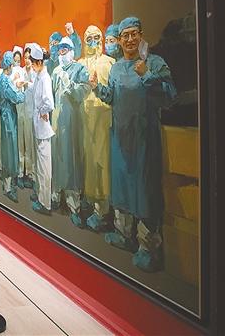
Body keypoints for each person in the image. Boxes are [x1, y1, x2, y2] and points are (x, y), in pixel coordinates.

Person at [91, 16, 176, 272]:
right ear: (119, 40)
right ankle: (124, 234)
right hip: (120, 140)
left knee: (145, 191)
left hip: (144, 141)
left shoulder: (154, 63)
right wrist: (97, 88)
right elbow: (112, 97)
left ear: (141, 35)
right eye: (124, 35)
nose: (129, 39)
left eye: (133, 34)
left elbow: (170, 96)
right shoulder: (117, 68)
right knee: (122, 187)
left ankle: (148, 247)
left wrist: (147, 75)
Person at [79, 25, 116, 231]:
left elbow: (112, 93)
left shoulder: (109, 63)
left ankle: (103, 210)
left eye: (96, 37)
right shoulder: (80, 64)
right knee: (88, 161)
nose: (93, 42)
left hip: (103, 118)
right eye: (89, 38)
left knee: (102, 162)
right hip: (84, 120)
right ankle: (90, 202)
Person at [51, 36, 91, 227]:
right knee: (57, 157)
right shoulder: (56, 71)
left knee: (71, 159)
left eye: (65, 49)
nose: (62, 53)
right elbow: (51, 95)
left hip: (73, 121)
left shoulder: (79, 69)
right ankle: (56, 196)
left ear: (72, 51)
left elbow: (84, 91)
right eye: (60, 50)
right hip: (57, 120)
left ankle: (74, 205)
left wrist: (70, 85)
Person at [28, 44, 54, 214]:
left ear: (39, 62)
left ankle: (45, 203)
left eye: (32, 63)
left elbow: (49, 103)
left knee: (44, 167)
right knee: (40, 164)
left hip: (43, 129)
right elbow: (35, 89)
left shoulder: (45, 78)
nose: (31, 66)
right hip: (38, 126)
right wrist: (26, 84)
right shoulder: (39, 76)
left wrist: (43, 112)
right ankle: (40, 195)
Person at [0, 51, 26, 202]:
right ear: (8, 65)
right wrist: (23, 93)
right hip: (8, 116)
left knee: (9, 148)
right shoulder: (4, 80)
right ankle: (8, 187)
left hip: (8, 115)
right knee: (9, 149)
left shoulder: (4, 78)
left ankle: (8, 183)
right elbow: (14, 96)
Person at [12, 46, 35, 189]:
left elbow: (37, 89)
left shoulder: (35, 73)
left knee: (30, 144)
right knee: (21, 144)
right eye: (25, 58)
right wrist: (18, 84)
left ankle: (30, 174)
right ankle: (20, 173)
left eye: (29, 58)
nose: (27, 60)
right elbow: (14, 85)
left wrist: (28, 84)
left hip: (31, 113)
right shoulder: (19, 71)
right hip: (20, 111)